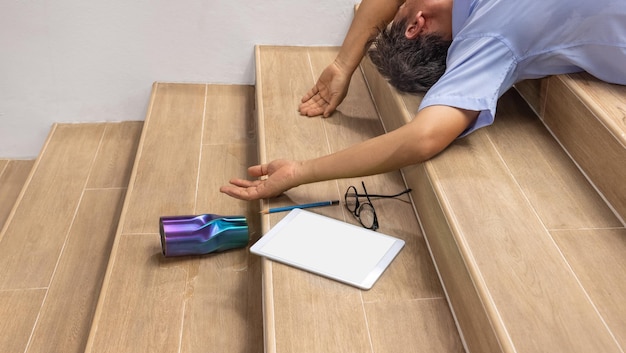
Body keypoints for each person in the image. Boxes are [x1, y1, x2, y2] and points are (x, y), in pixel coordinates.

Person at [220, 0, 626, 201]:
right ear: (417, 24)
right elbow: (424, 136)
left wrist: (345, 63)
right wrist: (301, 171)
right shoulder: (486, 38)